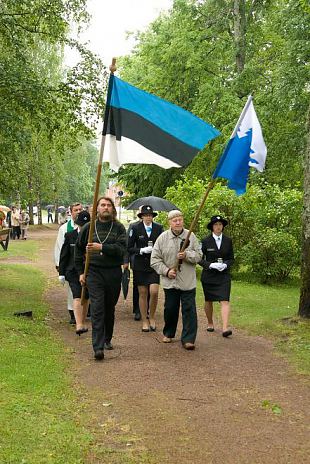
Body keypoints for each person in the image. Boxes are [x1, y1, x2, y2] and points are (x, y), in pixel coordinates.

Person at [75, 196, 126, 361]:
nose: (105, 208)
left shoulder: (118, 228)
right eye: (102, 205)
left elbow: (121, 249)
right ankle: (97, 347)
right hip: (94, 272)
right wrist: (81, 273)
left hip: (113, 272)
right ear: (96, 209)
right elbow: (78, 251)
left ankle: (107, 338)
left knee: (109, 307)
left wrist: (102, 247)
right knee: (97, 308)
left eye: (108, 205)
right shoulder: (89, 228)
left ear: (113, 209)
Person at [151, 210, 202, 350]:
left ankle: (189, 339)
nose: (178, 222)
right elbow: (154, 260)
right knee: (171, 309)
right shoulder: (162, 238)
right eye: (175, 220)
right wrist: (166, 271)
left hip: (187, 281)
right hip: (170, 282)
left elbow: (199, 256)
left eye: (180, 219)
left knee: (189, 310)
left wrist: (186, 255)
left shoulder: (191, 236)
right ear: (170, 223)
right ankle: (169, 332)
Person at [128, 205, 163, 332]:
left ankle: (152, 317)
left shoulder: (159, 228)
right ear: (142, 216)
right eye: (146, 215)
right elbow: (129, 247)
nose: (148, 217)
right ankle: (144, 320)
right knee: (143, 293)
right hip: (140, 265)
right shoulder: (135, 228)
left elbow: (162, 245)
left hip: (154, 264)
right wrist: (141, 250)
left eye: (150, 215)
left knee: (154, 292)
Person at [199, 215, 234, 337]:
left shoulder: (228, 240)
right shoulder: (205, 241)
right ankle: (210, 323)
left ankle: (225, 328)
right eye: (216, 225)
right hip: (209, 275)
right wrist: (210, 265)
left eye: (220, 224)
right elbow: (199, 259)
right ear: (212, 227)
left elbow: (231, 258)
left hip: (223, 276)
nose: (218, 227)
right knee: (208, 300)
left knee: (225, 300)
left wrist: (225, 265)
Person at [59, 210, 90, 335]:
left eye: (85, 225)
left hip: (88, 271)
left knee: (86, 296)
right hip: (72, 271)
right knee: (77, 295)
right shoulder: (70, 235)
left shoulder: (93, 237)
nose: (83, 227)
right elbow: (64, 255)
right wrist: (61, 273)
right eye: (81, 225)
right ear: (77, 224)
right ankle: (79, 324)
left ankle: (82, 320)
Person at [54, 202, 83, 324]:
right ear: (70, 212)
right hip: (71, 266)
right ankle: (72, 312)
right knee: (73, 289)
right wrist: (59, 265)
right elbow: (60, 247)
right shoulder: (65, 228)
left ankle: (86, 310)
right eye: (76, 210)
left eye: (80, 210)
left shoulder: (88, 227)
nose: (78, 212)